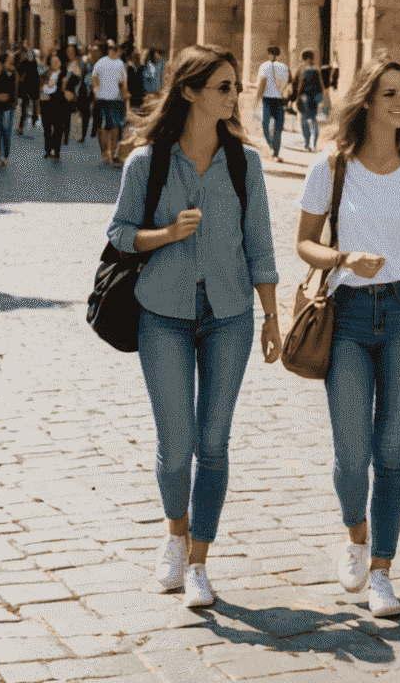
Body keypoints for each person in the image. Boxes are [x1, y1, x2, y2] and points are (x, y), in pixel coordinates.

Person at [107, 45, 282, 610]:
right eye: (224, 87)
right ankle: (173, 536)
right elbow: (119, 232)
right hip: (163, 313)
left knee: (214, 444)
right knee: (176, 443)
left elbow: (261, 245)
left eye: (236, 86)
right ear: (189, 91)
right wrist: (165, 235)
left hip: (230, 315)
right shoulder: (147, 161)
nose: (236, 96)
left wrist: (273, 316)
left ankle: (200, 560)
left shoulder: (244, 163)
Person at [296, 58, 400, 620]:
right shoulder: (332, 167)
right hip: (346, 315)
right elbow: (304, 245)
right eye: (387, 93)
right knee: (350, 452)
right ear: (365, 100)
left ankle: (383, 570)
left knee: (390, 450)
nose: (397, 103)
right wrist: (343, 259)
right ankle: (356, 537)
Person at [93, 40, 131, 167]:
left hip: (107, 99)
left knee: (105, 127)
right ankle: (109, 153)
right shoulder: (117, 63)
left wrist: (96, 91)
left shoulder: (104, 62)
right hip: (113, 99)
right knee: (111, 127)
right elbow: (123, 82)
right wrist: (125, 94)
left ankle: (106, 153)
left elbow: (94, 77)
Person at [256, 45, 289, 158]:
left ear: (269, 54)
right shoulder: (284, 67)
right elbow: (288, 84)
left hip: (267, 100)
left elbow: (261, 83)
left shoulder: (264, 66)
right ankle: (276, 153)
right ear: (278, 54)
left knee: (265, 125)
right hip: (280, 100)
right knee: (278, 129)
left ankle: (271, 146)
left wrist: (256, 100)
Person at [39, 50, 70, 160]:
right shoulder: (45, 74)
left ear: (61, 62)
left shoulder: (65, 75)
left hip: (59, 104)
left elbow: (68, 90)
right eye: (53, 61)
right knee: (47, 128)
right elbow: (41, 88)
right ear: (49, 63)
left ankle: (56, 150)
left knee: (58, 128)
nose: (55, 63)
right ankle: (48, 149)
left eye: (57, 61)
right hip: (46, 103)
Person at [16, 47, 41, 135]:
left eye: (31, 53)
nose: (30, 55)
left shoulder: (35, 63)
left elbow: (38, 74)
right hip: (26, 87)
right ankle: (21, 126)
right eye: (29, 53)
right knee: (24, 107)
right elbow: (19, 72)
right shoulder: (24, 62)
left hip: (34, 87)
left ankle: (34, 122)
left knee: (35, 106)